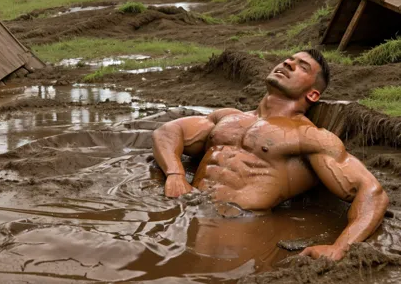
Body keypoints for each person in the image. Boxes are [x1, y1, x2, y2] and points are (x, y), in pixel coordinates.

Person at [152, 49, 389, 261]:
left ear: (313, 95)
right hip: (187, 207)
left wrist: (340, 248)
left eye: (301, 66)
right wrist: (175, 174)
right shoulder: (229, 117)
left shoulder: (308, 136)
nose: (288, 64)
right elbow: (168, 131)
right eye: (289, 59)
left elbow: (372, 193)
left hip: (239, 227)